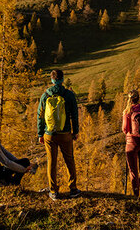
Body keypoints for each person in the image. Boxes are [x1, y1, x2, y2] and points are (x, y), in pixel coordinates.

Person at [37, 69, 81, 200]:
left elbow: (40, 116)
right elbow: (74, 115)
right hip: (65, 133)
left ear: (52, 79)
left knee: (51, 161)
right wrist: (75, 131)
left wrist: (40, 134)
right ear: (62, 79)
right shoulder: (69, 95)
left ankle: (53, 191)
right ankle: (73, 189)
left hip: (49, 134)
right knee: (69, 160)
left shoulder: (45, 95)